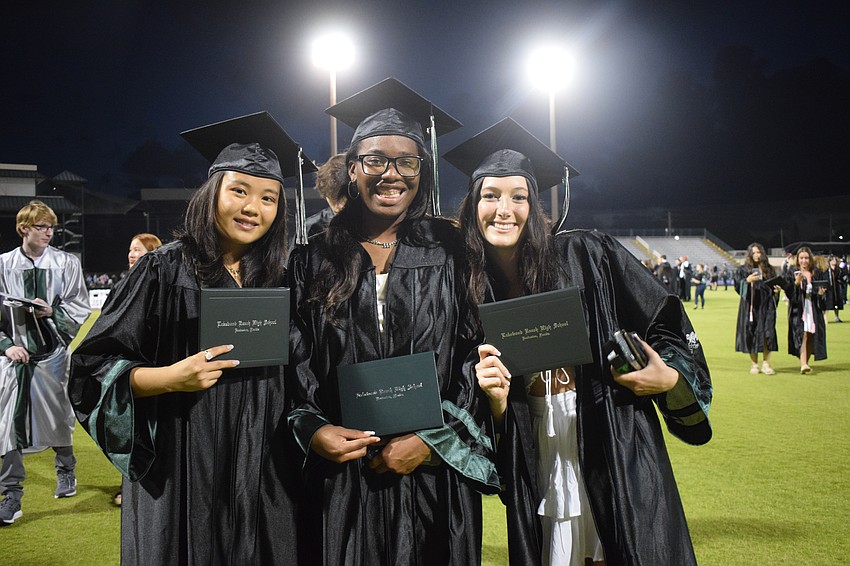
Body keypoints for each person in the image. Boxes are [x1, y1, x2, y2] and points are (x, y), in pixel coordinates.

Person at [445, 118, 713, 565]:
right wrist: (492, 400)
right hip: (535, 449)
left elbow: (663, 319)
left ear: (536, 206)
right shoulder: (467, 287)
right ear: (473, 204)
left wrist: (666, 375)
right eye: (490, 196)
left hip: (610, 435)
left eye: (518, 197)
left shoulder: (590, 254)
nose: (503, 209)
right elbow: (472, 398)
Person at [69, 112, 315, 564]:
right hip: (182, 460)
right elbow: (91, 368)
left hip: (266, 466)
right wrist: (167, 378)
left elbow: (304, 372)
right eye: (238, 190)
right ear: (212, 193)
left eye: (268, 198)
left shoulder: (285, 279)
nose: (251, 208)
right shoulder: (161, 270)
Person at [287, 78, 498, 565]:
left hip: (432, 476)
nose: (391, 174)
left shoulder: (452, 254)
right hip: (342, 475)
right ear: (353, 169)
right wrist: (314, 429)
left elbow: (476, 354)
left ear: (422, 171)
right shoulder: (312, 260)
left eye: (407, 161)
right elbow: (293, 361)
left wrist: (431, 440)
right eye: (376, 160)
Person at [0, 200, 91, 526]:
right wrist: (7, 346)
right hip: (15, 360)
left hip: (52, 356)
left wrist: (53, 313)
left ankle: (66, 471)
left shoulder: (65, 263)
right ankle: (11, 496)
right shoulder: (3, 265)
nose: (49, 232)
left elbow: (80, 305)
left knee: (57, 419)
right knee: (8, 425)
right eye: (42, 227)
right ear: (24, 228)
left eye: (51, 227)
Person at [108, 232, 163, 507]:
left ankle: (138, 484)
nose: (132, 254)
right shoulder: (120, 286)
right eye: (130, 249)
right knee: (125, 429)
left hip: (151, 369)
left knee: (148, 432)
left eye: (138, 250)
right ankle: (126, 484)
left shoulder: (159, 284)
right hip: (127, 369)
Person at [734, 243, 781, 375]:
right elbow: (738, 287)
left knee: (768, 333)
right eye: (754, 253)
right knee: (751, 332)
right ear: (749, 254)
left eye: (759, 252)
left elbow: (774, 286)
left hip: (766, 306)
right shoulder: (743, 270)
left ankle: (766, 363)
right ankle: (754, 364)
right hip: (750, 306)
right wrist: (747, 281)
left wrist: (777, 291)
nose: (756, 255)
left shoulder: (769, 269)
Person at [785, 246, 827, 374]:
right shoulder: (792, 273)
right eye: (801, 258)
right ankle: (803, 364)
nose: (804, 261)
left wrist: (820, 294)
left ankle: (806, 362)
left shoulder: (816, 273)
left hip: (813, 308)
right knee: (802, 334)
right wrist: (797, 284)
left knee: (811, 335)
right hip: (799, 309)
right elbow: (789, 294)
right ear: (797, 259)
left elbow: (823, 294)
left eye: (807, 258)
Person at [825, 255, 846, 323]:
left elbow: (842, 278)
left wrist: (840, 281)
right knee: (827, 304)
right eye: (832, 260)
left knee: (836, 304)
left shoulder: (839, 270)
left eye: (835, 260)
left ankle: (837, 317)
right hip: (829, 289)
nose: (834, 261)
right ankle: (825, 318)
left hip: (837, 289)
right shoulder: (826, 270)